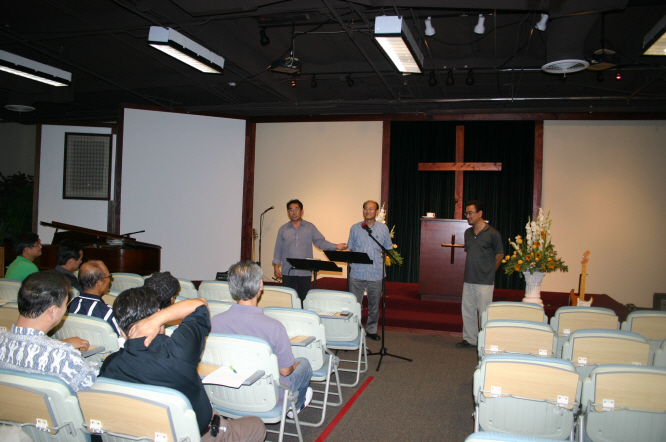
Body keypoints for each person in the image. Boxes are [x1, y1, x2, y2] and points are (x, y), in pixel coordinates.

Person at [100, 287, 265, 442]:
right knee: (257, 426)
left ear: (121, 330)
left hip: (143, 433)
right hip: (195, 435)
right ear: (159, 315)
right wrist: (157, 318)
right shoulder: (178, 350)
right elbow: (200, 305)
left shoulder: (109, 365)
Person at [212, 260, 313, 418]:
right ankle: (297, 405)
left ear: (231, 286)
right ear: (260, 285)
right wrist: (293, 365)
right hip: (268, 395)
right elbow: (285, 371)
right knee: (304, 364)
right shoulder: (274, 327)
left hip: (226, 393)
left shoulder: (214, 322)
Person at [0, 272, 98, 391]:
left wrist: (61, 344)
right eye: (65, 305)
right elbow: (95, 383)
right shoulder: (65, 358)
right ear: (52, 311)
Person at [273, 199, 346, 303]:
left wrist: (335, 246)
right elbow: (278, 249)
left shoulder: (310, 227)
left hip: (305, 272)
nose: (294, 212)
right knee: (288, 301)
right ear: (288, 212)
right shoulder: (283, 229)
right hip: (288, 271)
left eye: (296, 209)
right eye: (291, 210)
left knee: (304, 301)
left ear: (302, 211)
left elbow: (320, 242)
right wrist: (276, 267)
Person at [456, 200, 504, 349]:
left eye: (470, 213)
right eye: (466, 213)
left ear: (480, 213)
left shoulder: (493, 234)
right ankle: (470, 339)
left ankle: (484, 341)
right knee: (468, 311)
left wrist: (490, 271)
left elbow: (500, 255)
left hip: (485, 281)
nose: (468, 216)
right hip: (469, 279)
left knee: (484, 312)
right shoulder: (468, 233)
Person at [346, 200, 393, 342]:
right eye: (366, 208)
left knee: (374, 304)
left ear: (376, 211)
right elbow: (351, 248)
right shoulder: (355, 228)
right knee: (355, 304)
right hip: (357, 272)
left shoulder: (383, 229)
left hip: (376, 272)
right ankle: (354, 330)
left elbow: (388, 248)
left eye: (371, 209)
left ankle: (371, 330)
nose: (368, 211)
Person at [68, 260, 121, 335]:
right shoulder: (108, 313)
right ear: (99, 283)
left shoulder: (70, 305)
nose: (111, 279)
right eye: (109, 276)